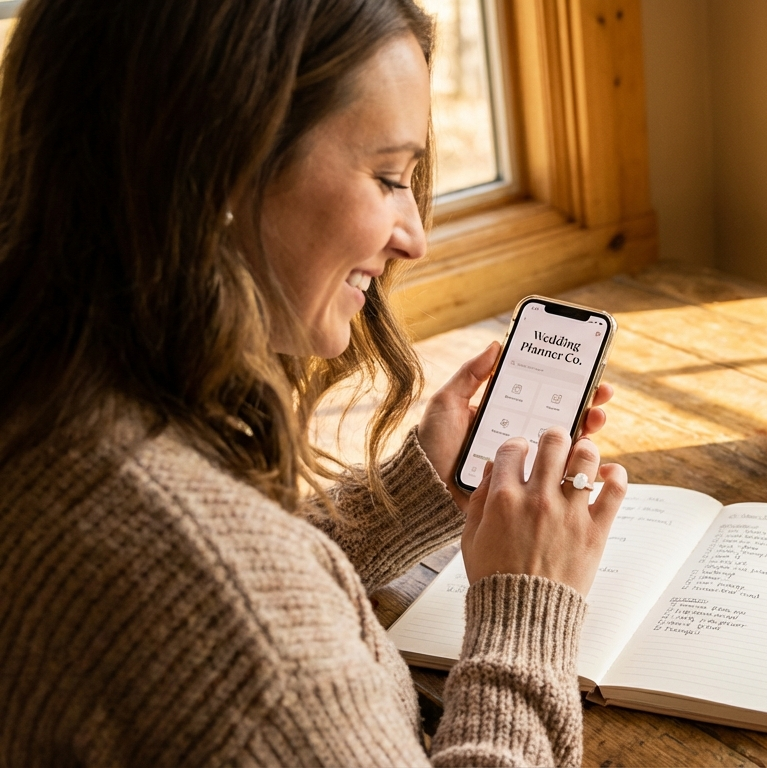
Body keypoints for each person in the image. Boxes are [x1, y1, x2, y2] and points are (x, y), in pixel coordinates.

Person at [0, 1, 626, 765]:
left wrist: (416, 492)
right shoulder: (243, 630)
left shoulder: (53, 398)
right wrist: (526, 609)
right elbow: (239, 627)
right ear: (218, 165)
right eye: (389, 176)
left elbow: (197, 620)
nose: (415, 239)